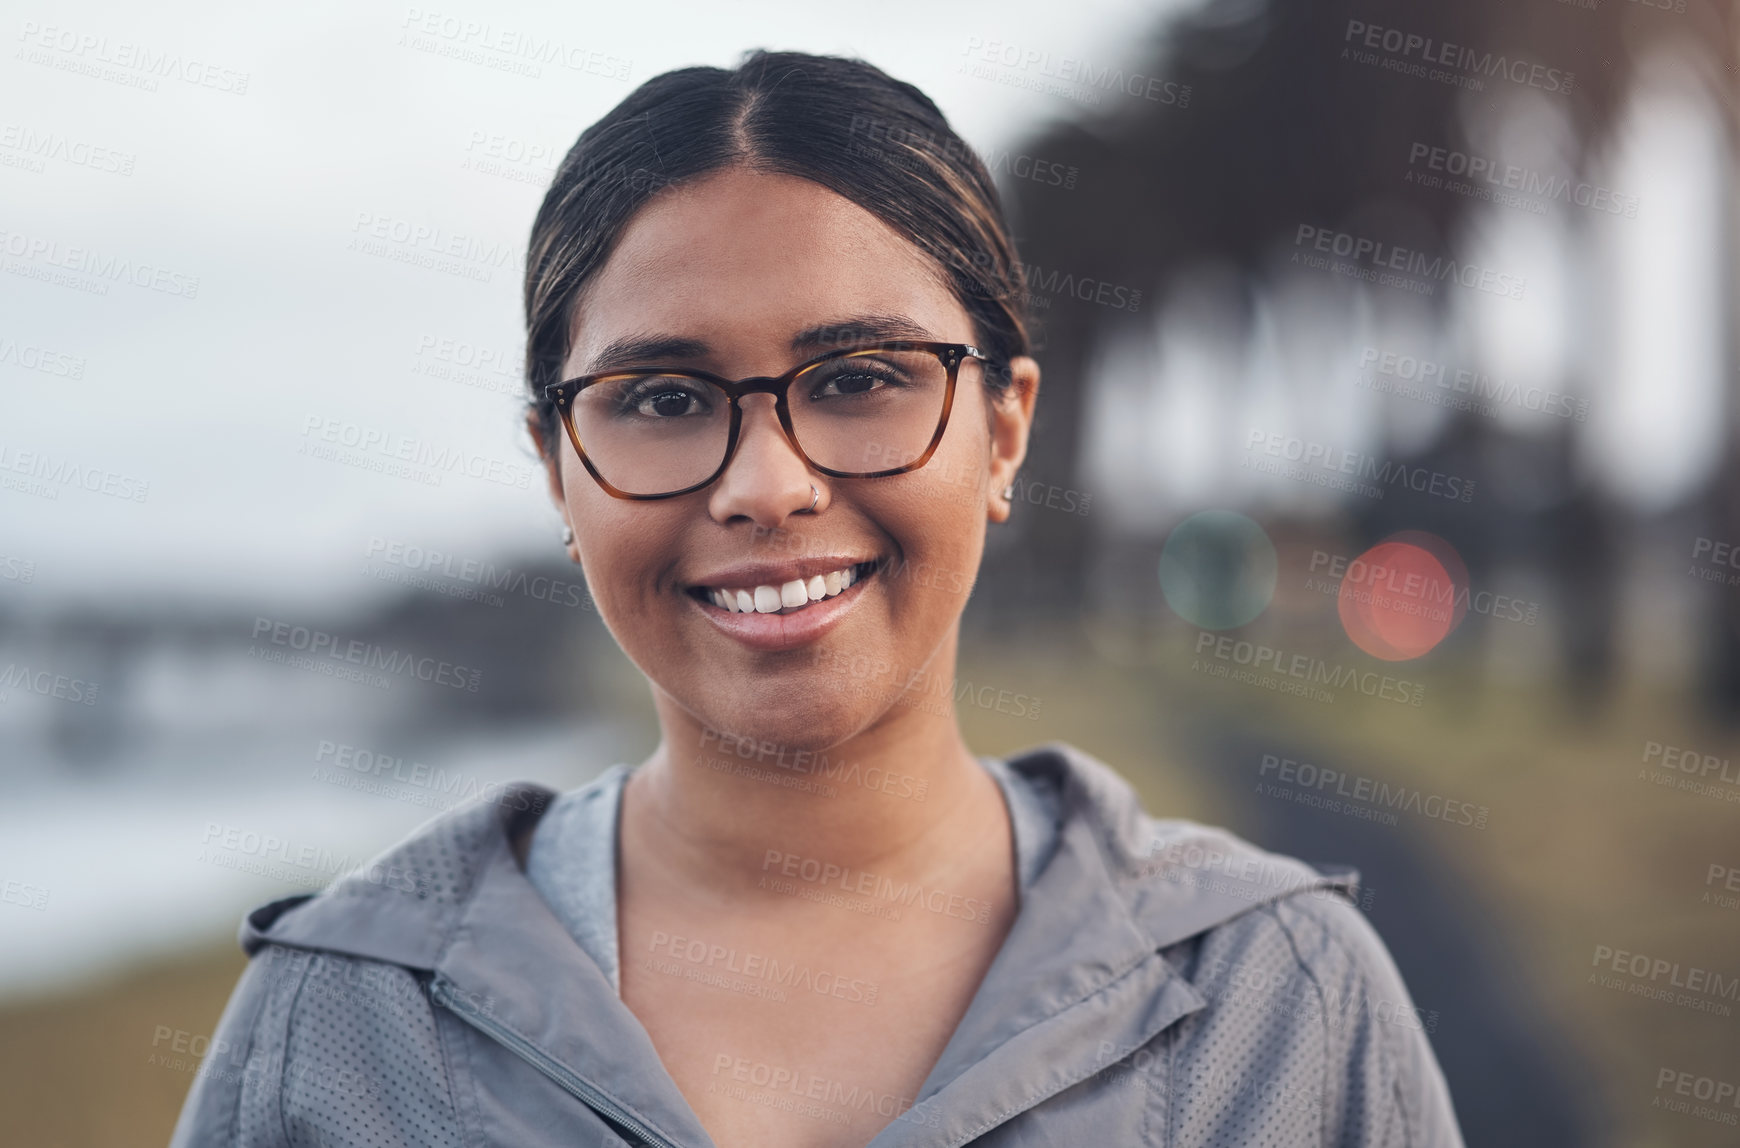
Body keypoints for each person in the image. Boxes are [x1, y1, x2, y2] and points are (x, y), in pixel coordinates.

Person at [171, 49, 1464, 1148]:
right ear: (560, 469)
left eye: (858, 378)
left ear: (1003, 429)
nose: (768, 486)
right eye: (665, 401)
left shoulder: (1276, 1008)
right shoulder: (345, 1032)